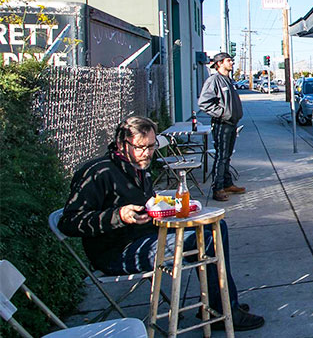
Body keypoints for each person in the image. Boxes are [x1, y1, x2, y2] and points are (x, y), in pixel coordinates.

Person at [58, 116, 264, 331]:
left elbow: (148, 203)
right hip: (116, 251)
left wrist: (170, 207)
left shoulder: (138, 166)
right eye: (140, 147)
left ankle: (218, 304)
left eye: (151, 145)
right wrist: (118, 215)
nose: (147, 153)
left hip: (147, 233)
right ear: (121, 144)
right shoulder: (99, 172)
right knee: (203, 240)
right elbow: (69, 222)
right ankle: (223, 309)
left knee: (215, 228)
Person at [198, 52, 244, 202]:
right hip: (222, 124)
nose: (232, 63)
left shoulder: (228, 80)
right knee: (221, 157)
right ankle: (217, 189)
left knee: (227, 157)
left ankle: (227, 183)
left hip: (232, 123)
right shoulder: (214, 80)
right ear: (219, 63)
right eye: (228, 61)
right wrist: (222, 113)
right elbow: (204, 103)